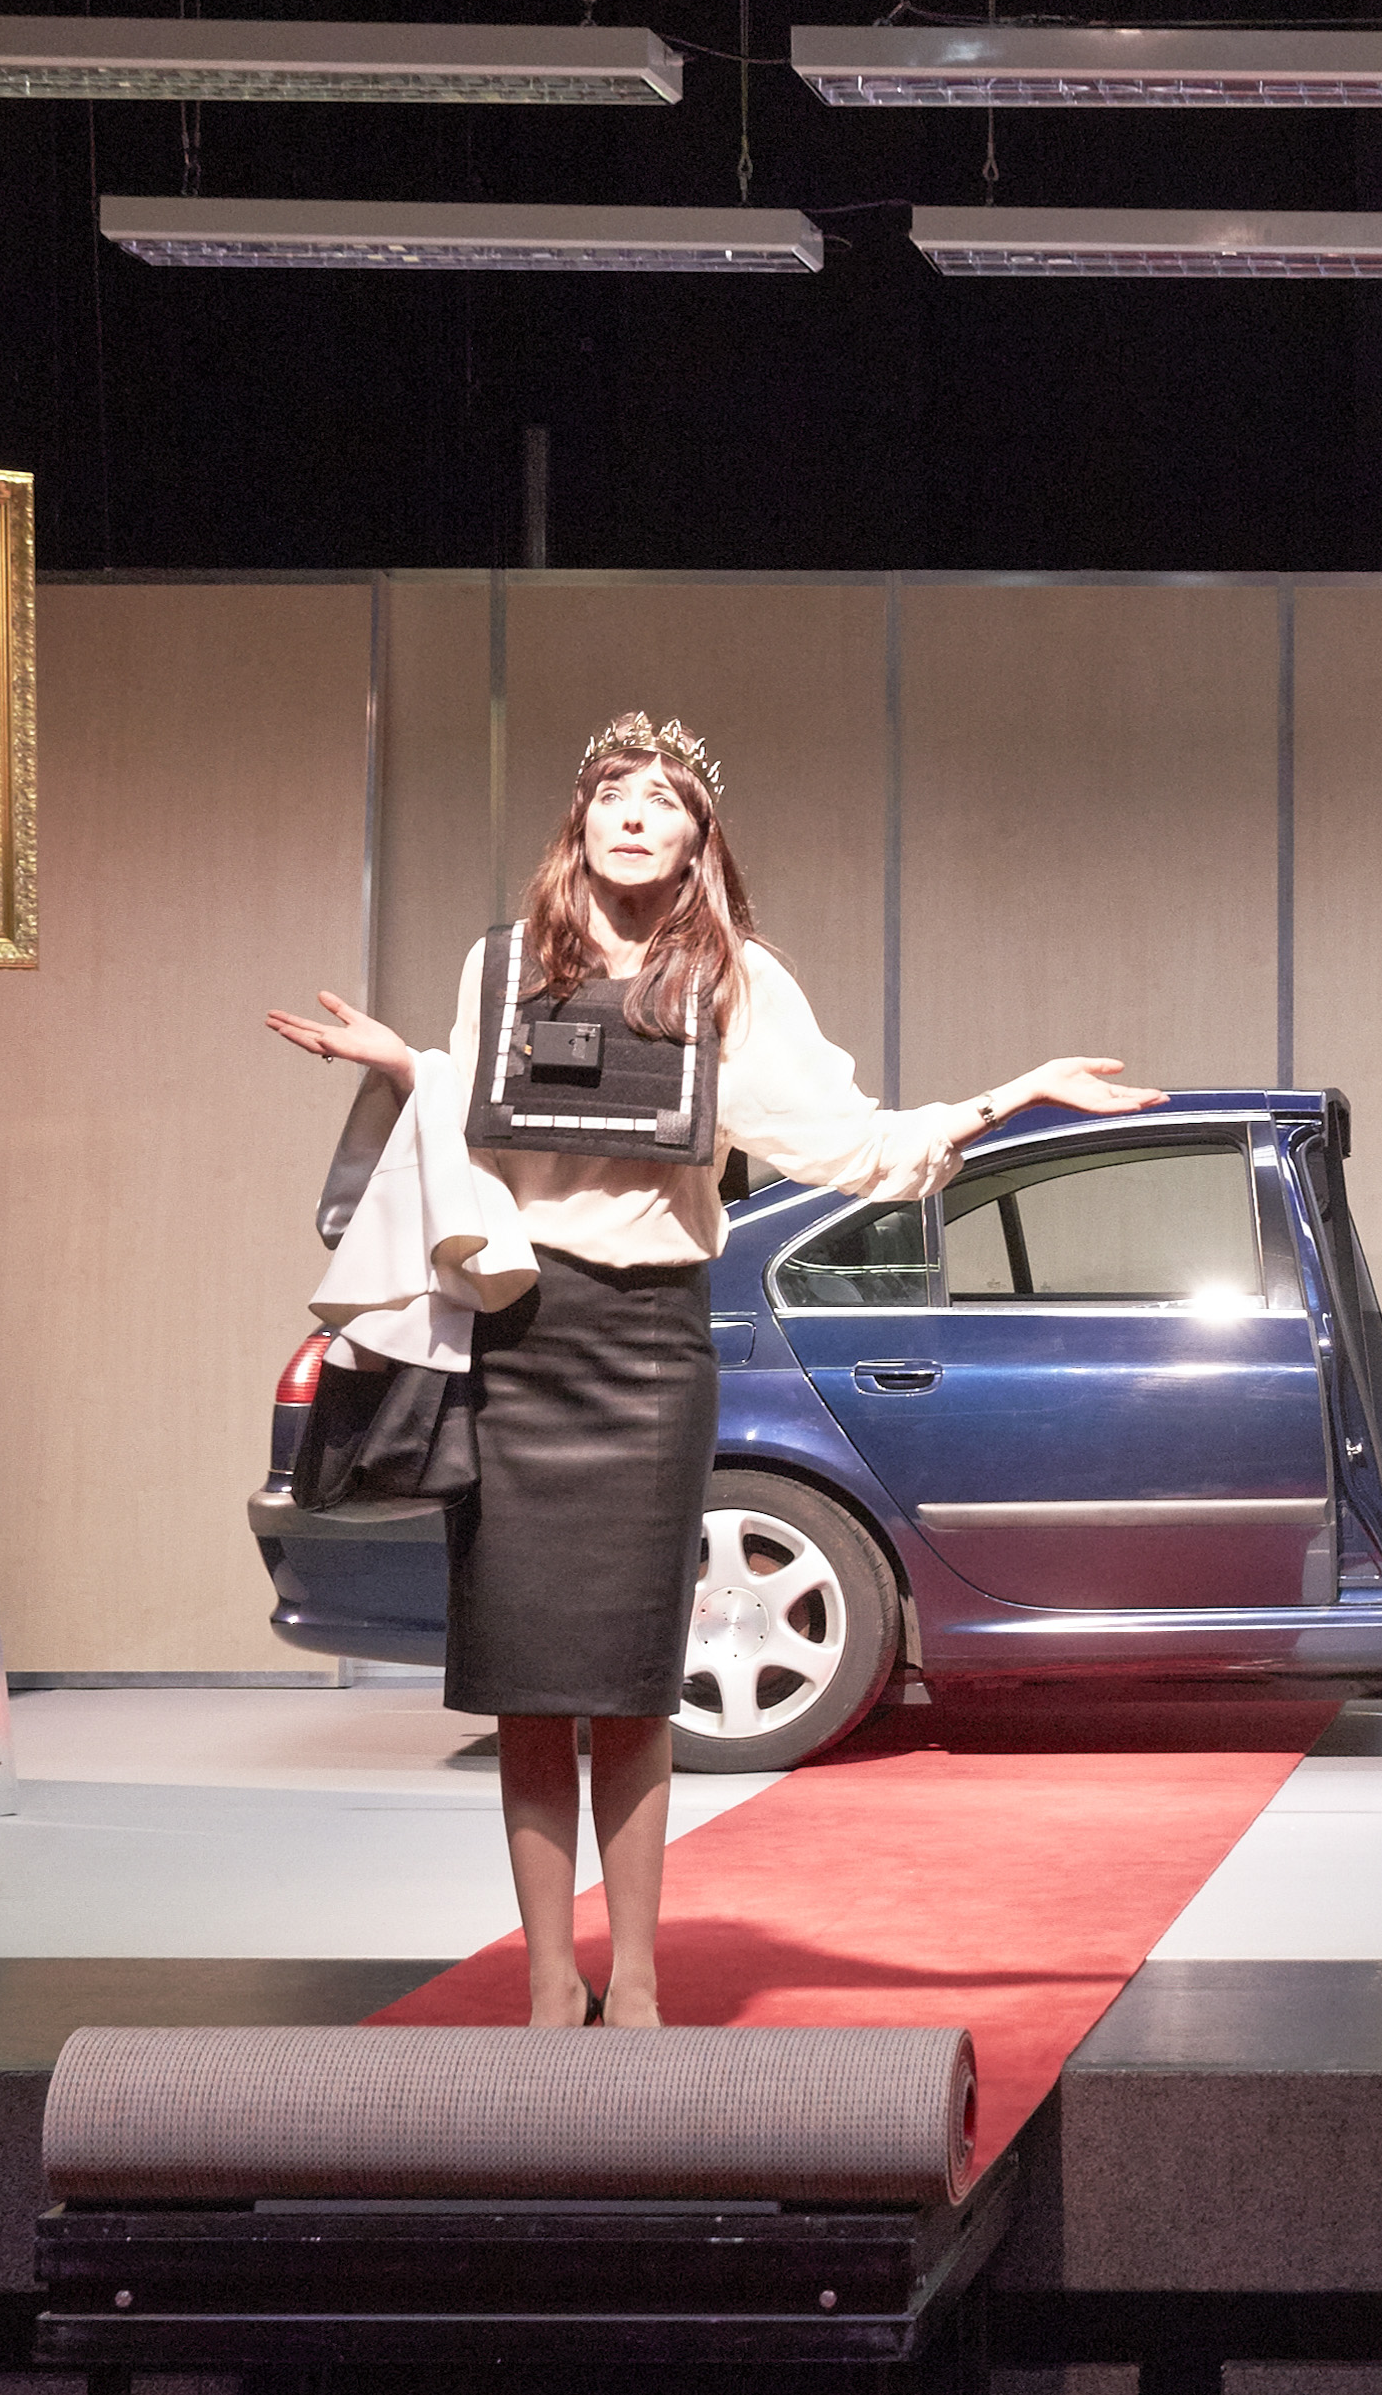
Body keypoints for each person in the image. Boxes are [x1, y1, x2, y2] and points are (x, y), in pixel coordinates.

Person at [268, 711, 1157, 2027]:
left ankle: (634, 1978)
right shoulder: (501, 965)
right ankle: (549, 1980)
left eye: (664, 800)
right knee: (526, 1686)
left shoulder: (735, 982)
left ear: (698, 839)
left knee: (633, 1682)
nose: (635, 814)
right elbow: (479, 1120)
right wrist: (411, 1065)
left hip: (647, 1348)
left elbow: (848, 1144)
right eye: (613, 793)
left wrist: (1009, 1095)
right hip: (521, 1336)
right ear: (578, 822)